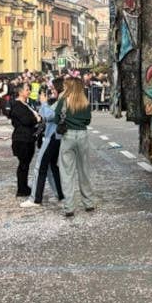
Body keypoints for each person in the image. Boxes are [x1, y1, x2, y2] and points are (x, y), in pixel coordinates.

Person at [21, 81, 64, 209]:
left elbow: (49, 115)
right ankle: (59, 193)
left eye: (52, 89)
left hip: (52, 136)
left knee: (40, 167)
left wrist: (44, 103)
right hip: (57, 136)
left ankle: (35, 198)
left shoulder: (61, 100)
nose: (51, 92)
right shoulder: (63, 99)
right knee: (52, 166)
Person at [57, 77, 95, 218]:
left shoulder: (63, 100)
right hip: (83, 135)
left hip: (68, 136)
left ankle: (69, 207)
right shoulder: (85, 102)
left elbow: (56, 119)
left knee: (67, 172)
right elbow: (88, 120)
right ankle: (88, 203)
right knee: (84, 170)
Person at [8, 84, 39, 198]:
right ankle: (22, 188)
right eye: (27, 90)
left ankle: (24, 187)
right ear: (20, 92)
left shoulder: (26, 104)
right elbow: (26, 120)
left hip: (28, 137)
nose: (29, 91)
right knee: (23, 164)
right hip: (22, 138)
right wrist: (36, 119)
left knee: (25, 164)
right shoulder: (17, 105)